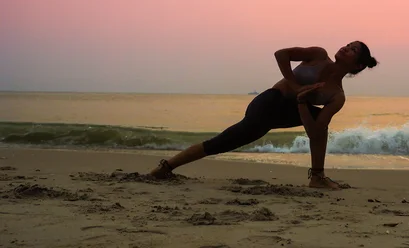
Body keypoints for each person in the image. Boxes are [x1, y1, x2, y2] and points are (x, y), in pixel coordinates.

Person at [149, 41, 378, 189]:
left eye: (352, 50)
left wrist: (301, 101)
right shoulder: (318, 54)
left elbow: (315, 132)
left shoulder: (336, 95)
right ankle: (166, 167)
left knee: (321, 125)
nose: (345, 47)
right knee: (227, 140)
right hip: (270, 101)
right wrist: (295, 86)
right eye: (348, 44)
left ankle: (317, 176)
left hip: (290, 111)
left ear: (357, 66)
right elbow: (281, 54)